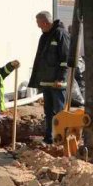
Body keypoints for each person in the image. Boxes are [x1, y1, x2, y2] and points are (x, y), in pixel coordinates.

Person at [31, 11, 69, 143]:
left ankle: (61, 139)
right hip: (47, 83)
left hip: (57, 83)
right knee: (49, 113)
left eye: (39, 24)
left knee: (59, 113)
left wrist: (61, 78)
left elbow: (65, 59)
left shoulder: (60, 34)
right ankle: (49, 138)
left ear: (45, 22)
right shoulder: (45, 36)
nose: (38, 27)